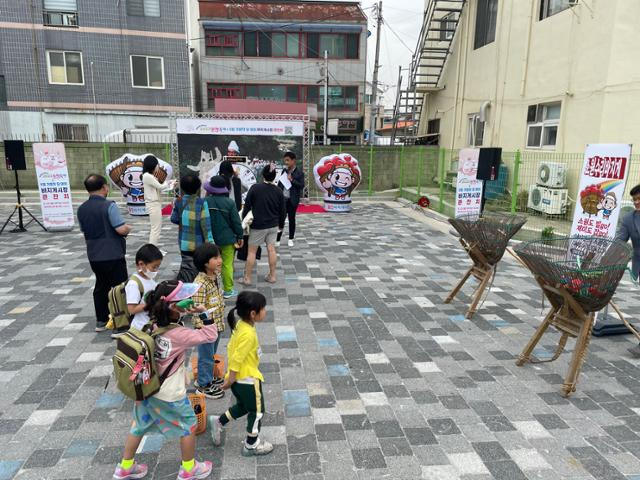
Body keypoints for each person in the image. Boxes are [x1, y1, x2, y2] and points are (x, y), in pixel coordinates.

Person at [112, 280, 216, 480]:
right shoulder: (179, 334)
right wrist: (203, 313)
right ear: (174, 307)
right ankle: (188, 469)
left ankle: (125, 467)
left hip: (147, 388)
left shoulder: (150, 325)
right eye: (184, 300)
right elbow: (209, 336)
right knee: (188, 425)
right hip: (169, 393)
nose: (189, 300)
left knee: (139, 425)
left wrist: (183, 310)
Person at [207, 291, 273, 456]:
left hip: (238, 379)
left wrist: (231, 377)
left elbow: (231, 349)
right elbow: (237, 358)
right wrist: (231, 379)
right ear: (253, 313)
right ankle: (251, 445)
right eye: (263, 308)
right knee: (257, 411)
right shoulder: (248, 334)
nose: (265, 311)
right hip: (247, 379)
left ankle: (219, 421)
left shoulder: (241, 325)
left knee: (244, 406)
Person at [77, 174, 132, 332]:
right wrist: (129, 228)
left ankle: (101, 320)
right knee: (119, 288)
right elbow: (120, 228)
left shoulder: (82, 209)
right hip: (113, 253)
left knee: (101, 286)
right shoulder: (109, 205)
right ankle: (120, 324)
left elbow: (84, 230)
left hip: (94, 255)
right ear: (104, 187)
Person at [240, 164, 286, 285]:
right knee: (271, 250)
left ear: (263, 175)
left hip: (258, 225)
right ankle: (272, 276)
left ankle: (247, 278)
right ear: (275, 176)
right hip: (273, 225)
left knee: (251, 252)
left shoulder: (255, 188)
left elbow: (247, 207)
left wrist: (244, 220)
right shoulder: (278, 191)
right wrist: (281, 225)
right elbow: (283, 211)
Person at [191, 243, 226, 399]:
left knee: (211, 354)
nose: (220, 260)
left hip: (217, 323)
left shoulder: (216, 275)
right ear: (205, 263)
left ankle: (207, 377)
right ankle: (204, 385)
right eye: (215, 257)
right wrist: (204, 328)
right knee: (205, 355)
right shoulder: (200, 283)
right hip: (205, 328)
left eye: (219, 256)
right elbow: (197, 308)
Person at [203, 176, 244, 298]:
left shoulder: (205, 202)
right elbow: (236, 222)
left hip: (210, 240)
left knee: (209, 265)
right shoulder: (230, 203)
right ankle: (228, 290)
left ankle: (211, 291)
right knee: (227, 264)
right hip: (227, 239)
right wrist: (240, 236)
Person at [113, 243, 164, 339]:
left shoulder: (149, 279)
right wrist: (153, 303)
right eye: (154, 267)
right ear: (141, 264)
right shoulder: (134, 284)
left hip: (150, 325)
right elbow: (132, 309)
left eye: (158, 266)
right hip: (140, 328)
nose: (156, 270)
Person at [171, 175, 214, 282]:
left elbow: (174, 219)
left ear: (183, 188)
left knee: (187, 268)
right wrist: (211, 243)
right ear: (198, 188)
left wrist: (185, 221)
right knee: (200, 270)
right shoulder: (202, 203)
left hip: (184, 243)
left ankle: (186, 286)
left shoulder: (178, 201)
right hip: (199, 245)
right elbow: (206, 225)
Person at [616, 184, 640, 357]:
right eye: (634, 200)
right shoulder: (629, 219)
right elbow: (620, 241)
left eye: (639, 199)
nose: (637, 202)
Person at [142, 155, 175, 248]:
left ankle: (152, 248)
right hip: (153, 204)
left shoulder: (149, 176)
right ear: (152, 165)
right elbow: (161, 186)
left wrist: (170, 184)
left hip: (155, 204)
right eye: (156, 165)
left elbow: (160, 188)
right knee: (155, 229)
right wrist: (169, 183)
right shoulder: (147, 176)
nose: (158, 167)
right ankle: (152, 250)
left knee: (156, 228)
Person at [277, 151, 305, 247]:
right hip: (283, 199)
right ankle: (277, 239)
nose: (286, 162)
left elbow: (301, 186)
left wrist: (292, 180)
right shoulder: (284, 171)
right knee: (281, 219)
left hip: (293, 200)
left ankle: (290, 238)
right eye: (285, 160)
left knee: (291, 219)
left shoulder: (299, 173)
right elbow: (280, 184)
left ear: (293, 161)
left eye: (288, 160)